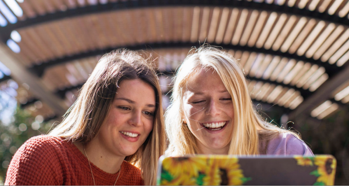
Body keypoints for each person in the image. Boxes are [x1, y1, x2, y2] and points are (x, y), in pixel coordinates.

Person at [6, 50, 166, 185]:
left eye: (148, 112)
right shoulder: (45, 156)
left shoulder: (141, 182)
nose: (137, 122)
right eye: (125, 107)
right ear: (97, 106)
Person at [165, 46, 313, 156]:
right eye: (198, 101)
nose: (213, 110)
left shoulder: (286, 151)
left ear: (243, 105)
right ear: (181, 112)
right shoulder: (168, 173)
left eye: (226, 98)